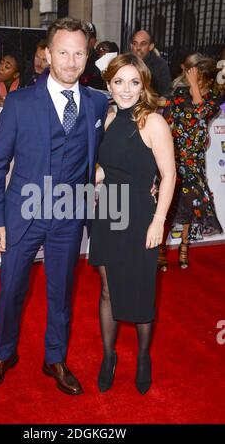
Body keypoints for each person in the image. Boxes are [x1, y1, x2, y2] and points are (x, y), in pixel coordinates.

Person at [0, 18, 108, 395]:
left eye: (79, 53)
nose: (70, 61)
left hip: (69, 216)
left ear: (87, 56)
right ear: (48, 54)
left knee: (61, 292)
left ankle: (54, 358)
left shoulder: (99, 103)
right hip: (22, 214)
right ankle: (4, 353)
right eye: (63, 52)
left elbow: (108, 155)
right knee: (11, 289)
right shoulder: (19, 102)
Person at [88, 52, 176, 394]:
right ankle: (109, 357)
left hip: (140, 214)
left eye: (134, 82)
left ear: (144, 85)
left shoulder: (153, 122)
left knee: (140, 291)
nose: (126, 89)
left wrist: (158, 221)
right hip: (109, 209)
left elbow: (168, 176)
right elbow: (108, 169)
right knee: (108, 290)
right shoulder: (109, 119)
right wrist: (89, 177)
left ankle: (142, 356)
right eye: (119, 82)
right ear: (109, 84)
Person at [158, 55, 223, 271]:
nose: (194, 80)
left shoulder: (215, 98)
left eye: (199, 78)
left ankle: (184, 247)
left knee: (191, 204)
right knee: (169, 203)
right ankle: (160, 250)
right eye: (193, 77)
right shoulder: (178, 94)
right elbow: (167, 119)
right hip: (173, 156)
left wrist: (195, 87)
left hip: (194, 160)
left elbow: (201, 111)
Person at [130, 30, 172, 100]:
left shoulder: (160, 64)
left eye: (143, 44)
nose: (138, 48)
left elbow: (166, 92)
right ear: (131, 46)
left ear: (151, 46)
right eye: (135, 43)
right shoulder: (126, 62)